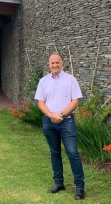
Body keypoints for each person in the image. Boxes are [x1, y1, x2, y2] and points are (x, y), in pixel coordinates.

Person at [34, 53, 85, 200]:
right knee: (54, 153)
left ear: (62, 63)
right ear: (48, 64)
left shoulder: (70, 80)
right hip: (49, 122)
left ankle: (80, 187)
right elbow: (40, 102)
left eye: (57, 62)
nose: (55, 65)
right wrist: (51, 115)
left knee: (72, 153)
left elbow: (75, 101)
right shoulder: (43, 81)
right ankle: (59, 183)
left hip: (67, 122)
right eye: (52, 63)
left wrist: (61, 115)